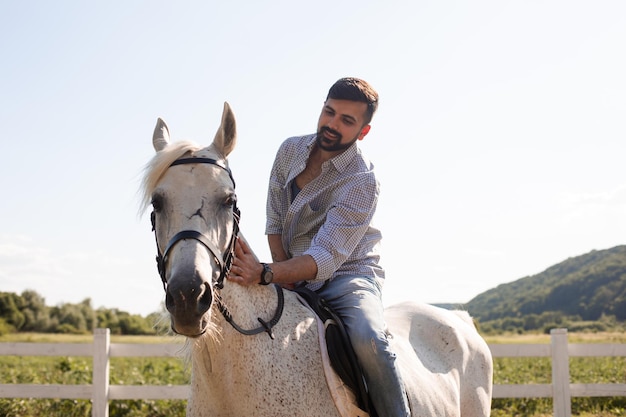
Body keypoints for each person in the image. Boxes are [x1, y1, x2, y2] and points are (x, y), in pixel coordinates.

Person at [228, 77, 411, 417]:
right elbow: (275, 223)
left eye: (347, 120)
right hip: (289, 269)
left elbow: (325, 259)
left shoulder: (362, 179)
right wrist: (282, 274)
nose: (332, 124)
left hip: (347, 274)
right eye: (329, 112)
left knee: (369, 339)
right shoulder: (289, 151)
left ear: (363, 131)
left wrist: (265, 273)